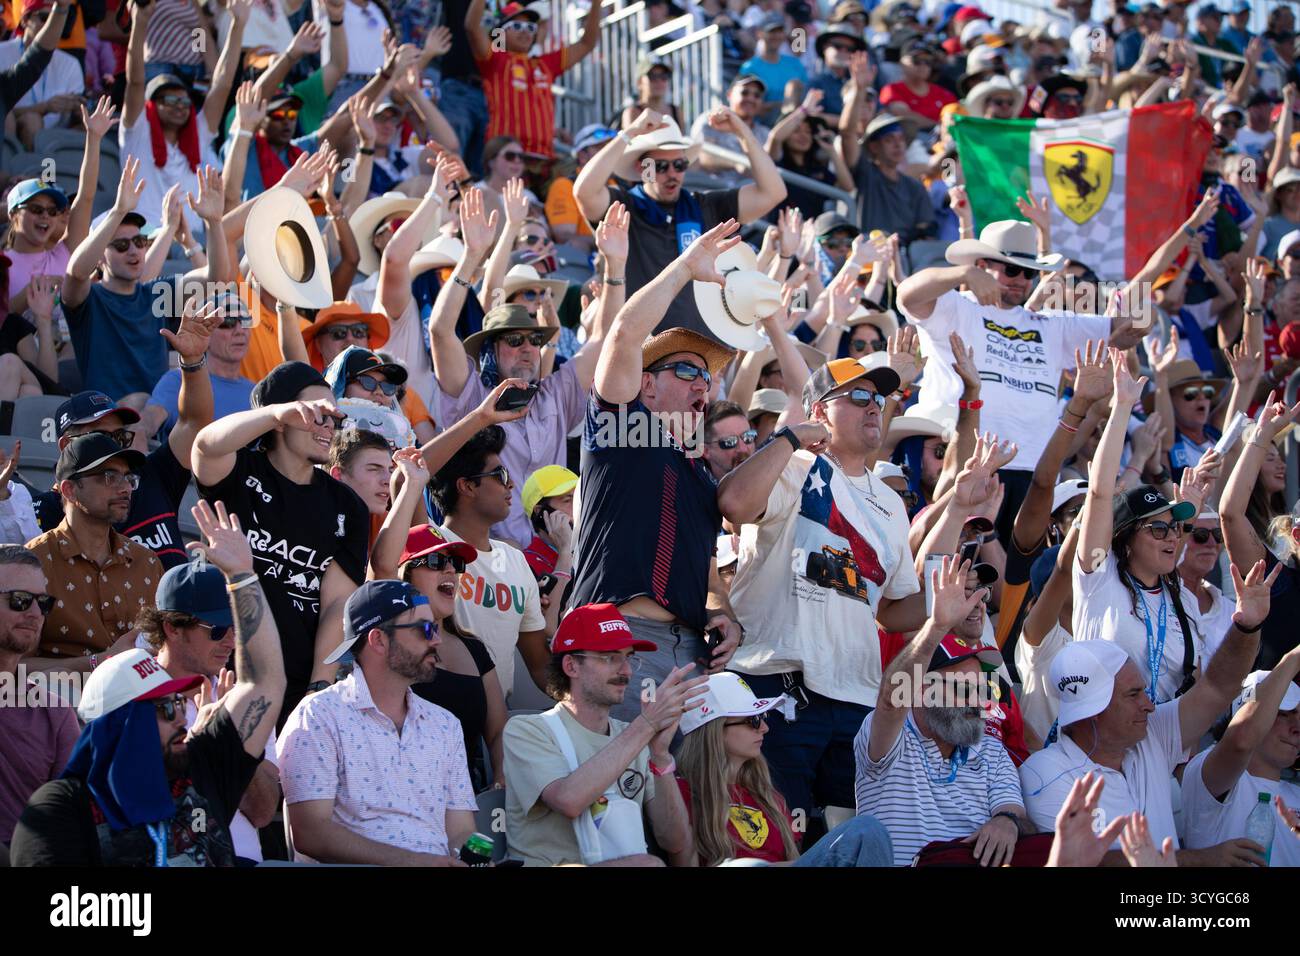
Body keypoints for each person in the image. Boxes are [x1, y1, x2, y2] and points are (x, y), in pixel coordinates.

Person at [10, 499, 286, 866]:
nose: (180, 718)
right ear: (117, 724)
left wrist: (242, 577)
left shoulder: (197, 768)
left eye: (176, 703)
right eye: (164, 707)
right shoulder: (62, 808)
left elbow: (265, 680)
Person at [719, 355, 932, 815]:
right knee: (778, 838)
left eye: (878, 398)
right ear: (819, 411)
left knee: (842, 843)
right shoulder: (793, 464)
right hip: (776, 684)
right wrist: (789, 438)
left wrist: (946, 598)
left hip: (856, 696)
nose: (873, 406)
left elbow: (891, 611)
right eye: (857, 396)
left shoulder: (893, 504)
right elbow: (733, 502)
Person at [566, 220, 745, 724]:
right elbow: (623, 333)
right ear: (645, 386)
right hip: (614, 639)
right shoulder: (619, 430)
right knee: (613, 796)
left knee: (678, 795)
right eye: (686, 370)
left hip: (689, 653)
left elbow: (707, 576)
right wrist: (686, 268)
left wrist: (720, 614)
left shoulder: (701, 473)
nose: (702, 386)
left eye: (707, 378)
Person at [895, 224, 1148, 534]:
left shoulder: (1052, 325)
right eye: (1013, 270)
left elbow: (1139, 319)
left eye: (1029, 273)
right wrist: (961, 274)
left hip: (1036, 477)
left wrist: (1110, 303)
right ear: (983, 266)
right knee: (960, 571)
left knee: (1021, 578)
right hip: (971, 469)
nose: (1021, 281)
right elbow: (907, 294)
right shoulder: (957, 308)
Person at [1019, 588, 1278, 867]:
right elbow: (1086, 862)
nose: (1149, 705)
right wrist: (1201, 860)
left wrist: (1246, 627)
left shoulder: (1151, 733)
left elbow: (1217, 686)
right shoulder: (1042, 773)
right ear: (1092, 710)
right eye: (1133, 695)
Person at [426, 196, 625, 546]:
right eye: (514, 340)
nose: (528, 348)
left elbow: (605, 338)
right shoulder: (469, 395)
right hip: (486, 558)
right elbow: (441, 330)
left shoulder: (555, 393)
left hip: (556, 554)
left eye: (535, 339)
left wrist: (615, 267)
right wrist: (472, 257)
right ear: (490, 351)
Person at [191, 361, 370, 727]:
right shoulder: (239, 470)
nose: (328, 427)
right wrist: (274, 414)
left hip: (299, 681)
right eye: (315, 414)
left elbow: (337, 602)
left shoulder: (347, 505)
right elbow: (205, 446)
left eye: (333, 418)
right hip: (225, 674)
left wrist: (318, 688)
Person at [278, 580, 478, 864]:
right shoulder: (319, 715)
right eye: (425, 629)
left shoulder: (445, 724)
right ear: (378, 640)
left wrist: (471, 858)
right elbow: (310, 834)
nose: (437, 640)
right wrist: (412, 861)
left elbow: (461, 832)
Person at [855, 556, 1030, 867]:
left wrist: (1006, 821)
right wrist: (937, 626)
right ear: (921, 689)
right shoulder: (892, 742)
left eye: (981, 689)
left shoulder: (990, 749)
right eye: (963, 688)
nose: (976, 701)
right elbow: (891, 699)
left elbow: (1013, 808)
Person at [501, 603, 705, 866]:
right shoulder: (527, 729)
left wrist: (661, 756)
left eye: (629, 657)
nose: (627, 671)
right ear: (571, 666)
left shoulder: (635, 737)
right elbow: (568, 800)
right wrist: (646, 724)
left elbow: (675, 842)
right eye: (610, 657)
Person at [34, 301, 222, 566]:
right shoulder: (46, 509)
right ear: (66, 445)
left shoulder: (151, 476)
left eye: (120, 437)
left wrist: (192, 362)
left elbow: (195, 422)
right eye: (101, 437)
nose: (115, 448)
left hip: (177, 607)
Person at [573, 108, 787, 339]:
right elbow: (584, 192)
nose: (672, 174)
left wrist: (742, 132)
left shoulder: (704, 205)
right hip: (640, 349)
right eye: (661, 167)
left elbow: (772, 192)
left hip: (700, 349)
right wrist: (630, 133)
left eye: (680, 165)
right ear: (642, 169)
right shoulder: (624, 206)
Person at [1074, 353, 1208, 704]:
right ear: (1127, 539)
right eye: (1157, 530)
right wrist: (1122, 407)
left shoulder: (1185, 601)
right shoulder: (1100, 575)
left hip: (1161, 743)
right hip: (1099, 739)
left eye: (1175, 528)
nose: (1173, 537)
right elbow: (1101, 493)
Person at [137, 559, 281, 864]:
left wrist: (235, 736)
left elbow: (263, 812)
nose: (231, 641)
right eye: (217, 629)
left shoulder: (246, 700)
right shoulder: (133, 693)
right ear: (172, 627)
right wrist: (205, 741)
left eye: (236, 628)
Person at [676, 672, 895, 866]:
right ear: (714, 731)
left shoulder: (767, 795)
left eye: (763, 717)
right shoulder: (681, 792)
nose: (765, 727)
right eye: (752, 720)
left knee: (868, 828)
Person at [61, 159, 228, 404]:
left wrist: (214, 222)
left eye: (139, 242)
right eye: (120, 245)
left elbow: (217, 278)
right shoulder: (89, 299)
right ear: (100, 258)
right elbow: (75, 272)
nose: (133, 251)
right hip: (108, 419)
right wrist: (118, 211)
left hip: (158, 418)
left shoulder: (157, 293)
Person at [23, 434, 158, 674]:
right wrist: (101, 662)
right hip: (56, 706)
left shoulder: (146, 563)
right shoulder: (32, 564)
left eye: (128, 478)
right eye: (110, 477)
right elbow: (12, 667)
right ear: (70, 490)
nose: (126, 488)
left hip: (141, 705)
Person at [118, 0, 242, 233]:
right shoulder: (137, 130)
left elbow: (222, 84)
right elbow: (135, 81)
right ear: (152, 105)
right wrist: (140, 23)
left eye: (185, 101)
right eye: (170, 100)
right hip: (148, 239)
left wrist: (238, 25)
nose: (180, 106)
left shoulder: (198, 131)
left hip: (193, 243)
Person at [1183, 664, 1300, 866]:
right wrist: (1294, 659)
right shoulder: (1207, 774)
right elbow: (1241, 740)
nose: (1297, 728)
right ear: (1246, 712)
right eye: (1283, 713)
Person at [0, 546, 78, 849]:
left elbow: (67, 818)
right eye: (19, 600)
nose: (34, 614)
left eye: (43, 603)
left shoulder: (54, 711)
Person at [465, 0, 602, 160]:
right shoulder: (495, 60)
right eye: (516, 26)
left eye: (530, 27)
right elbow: (472, 27)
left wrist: (596, 4)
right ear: (500, 34)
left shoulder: (546, 64)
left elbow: (586, 44)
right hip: (506, 157)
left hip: (544, 158)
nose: (525, 32)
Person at [839, 62, 937, 247]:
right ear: (874, 147)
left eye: (901, 139)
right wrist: (859, 90)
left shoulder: (915, 187)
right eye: (889, 139)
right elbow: (847, 133)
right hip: (867, 255)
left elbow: (926, 233)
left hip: (905, 259)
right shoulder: (865, 173)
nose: (898, 145)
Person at [692, 75, 776, 190]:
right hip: (713, 192)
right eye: (744, 93)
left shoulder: (764, 133)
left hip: (752, 197)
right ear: (729, 95)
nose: (751, 99)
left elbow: (767, 169)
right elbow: (703, 157)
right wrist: (737, 164)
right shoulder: (711, 120)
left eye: (757, 95)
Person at [519, 464, 576, 581]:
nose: (578, 506)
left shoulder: (592, 548)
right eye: (568, 500)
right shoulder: (527, 564)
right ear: (540, 512)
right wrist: (565, 551)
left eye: (579, 498)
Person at [327, 428, 395, 522]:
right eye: (374, 469)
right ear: (338, 475)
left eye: (391, 471)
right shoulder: (309, 519)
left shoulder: (385, 523)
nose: (388, 481)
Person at [701, 400, 757, 480]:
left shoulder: (772, 481)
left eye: (748, 437)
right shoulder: (696, 490)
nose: (743, 448)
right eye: (729, 442)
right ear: (706, 451)